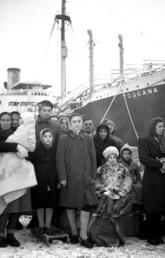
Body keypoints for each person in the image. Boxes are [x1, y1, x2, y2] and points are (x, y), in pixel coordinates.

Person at [56, 113, 98, 248]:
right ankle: (74, 232)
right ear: (70, 123)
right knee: (70, 205)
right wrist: (62, 177)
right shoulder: (63, 139)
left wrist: (92, 176)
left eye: (79, 121)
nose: (77, 124)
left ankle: (83, 234)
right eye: (74, 121)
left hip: (86, 178)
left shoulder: (88, 138)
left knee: (87, 205)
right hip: (70, 177)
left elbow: (93, 158)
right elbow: (59, 159)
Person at [0, 112, 36, 248]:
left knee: (16, 208)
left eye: (8, 119)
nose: (6, 122)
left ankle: (10, 234)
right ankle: (0, 235)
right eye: (3, 119)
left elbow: (30, 148)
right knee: (4, 207)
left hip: (18, 176)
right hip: (3, 177)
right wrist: (15, 147)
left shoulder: (18, 133)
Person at [28, 100, 61, 229]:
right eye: (44, 110)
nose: (46, 113)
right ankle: (39, 223)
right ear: (39, 111)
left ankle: (48, 224)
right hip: (37, 166)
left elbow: (58, 147)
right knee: (38, 197)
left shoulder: (56, 126)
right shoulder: (33, 125)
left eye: (49, 110)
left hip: (51, 166)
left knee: (50, 198)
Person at [138, 116, 165, 245]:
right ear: (153, 127)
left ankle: (158, 234)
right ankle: (151, 235)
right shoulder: (144, 140)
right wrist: (160, 163)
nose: (162, 129)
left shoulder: (163, 140)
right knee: (152, 207)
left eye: (163, 126)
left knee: (160, 207)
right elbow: (144, 158)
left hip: (162, 177)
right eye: (159, 126)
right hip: (152, 177)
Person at [30, 128, 58, 235]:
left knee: (50, 203)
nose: (48, 139)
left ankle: (48, 225)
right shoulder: (36, 148)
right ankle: (41, 225)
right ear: (41, 138)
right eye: (45, 136)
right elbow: (31, 161)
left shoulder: (55, 148)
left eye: (50, 136)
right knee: (40, 203)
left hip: (51, 179)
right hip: (39, 178)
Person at [95, 146, 132, 218]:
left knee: (113, 197)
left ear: (116, 158)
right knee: (107, 196)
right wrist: (101, 188)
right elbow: (97, 180)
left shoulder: (122, 168)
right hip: (105, 190)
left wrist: (124, 189)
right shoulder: (101, 169)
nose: (112, 159)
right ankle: (102, 211)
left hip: (118, 190)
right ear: (107, 159)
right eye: (110, 157)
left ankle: (108, 212)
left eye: (114, 157)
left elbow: (128, 179)